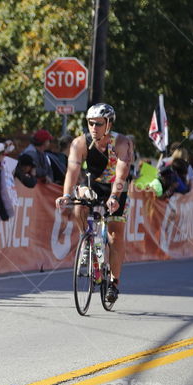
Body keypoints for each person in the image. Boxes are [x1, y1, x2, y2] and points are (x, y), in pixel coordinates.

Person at [56, 103, 134, 304]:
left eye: (98, 124)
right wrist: (66, 194)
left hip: (118, 187)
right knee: (79, 202)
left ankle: (114, 283)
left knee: (115, 233)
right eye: (90, 123)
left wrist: (115, 197)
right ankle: (86, 241)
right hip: (95, 184)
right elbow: (72, 171)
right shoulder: (79, 143)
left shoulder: (122, 142)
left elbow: (121, 174)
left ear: (108, 124)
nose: (93, 127)